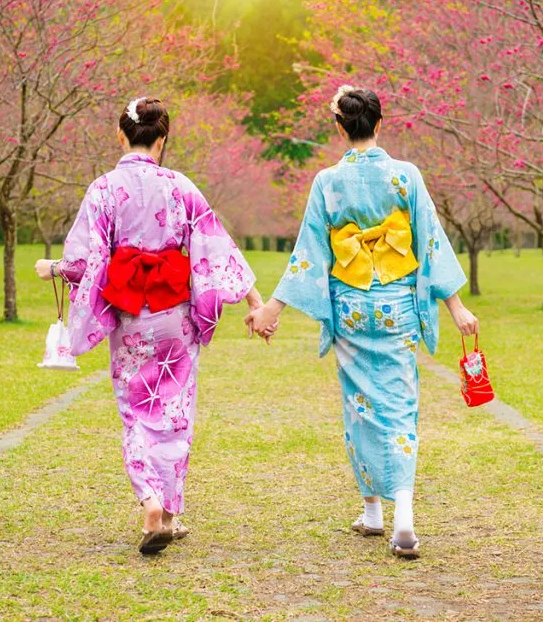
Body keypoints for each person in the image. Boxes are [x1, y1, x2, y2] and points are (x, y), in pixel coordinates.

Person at [246, 86, 479, 559]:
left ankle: (373, 509)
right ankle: (403, 516)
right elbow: (430, 239)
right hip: (397, 306)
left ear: (339, 127)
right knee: (398, 404)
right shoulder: (406, 176)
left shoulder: (328, 181)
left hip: (352, 306)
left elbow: (310, 250)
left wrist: (274, 307)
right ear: (380, 123)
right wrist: (456, 307)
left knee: (360, 406)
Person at [35, 97, 273, 555]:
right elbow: (215, 244)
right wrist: (255, 301)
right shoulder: (181, 186)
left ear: (120, 136)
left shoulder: (104, 188)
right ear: (161, 141)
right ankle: (168, 514)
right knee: (174, 411)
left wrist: (55, 268)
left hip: (130, 317)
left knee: (136, 410)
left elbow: (87, 259)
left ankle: (149, 500)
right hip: (175, 319)